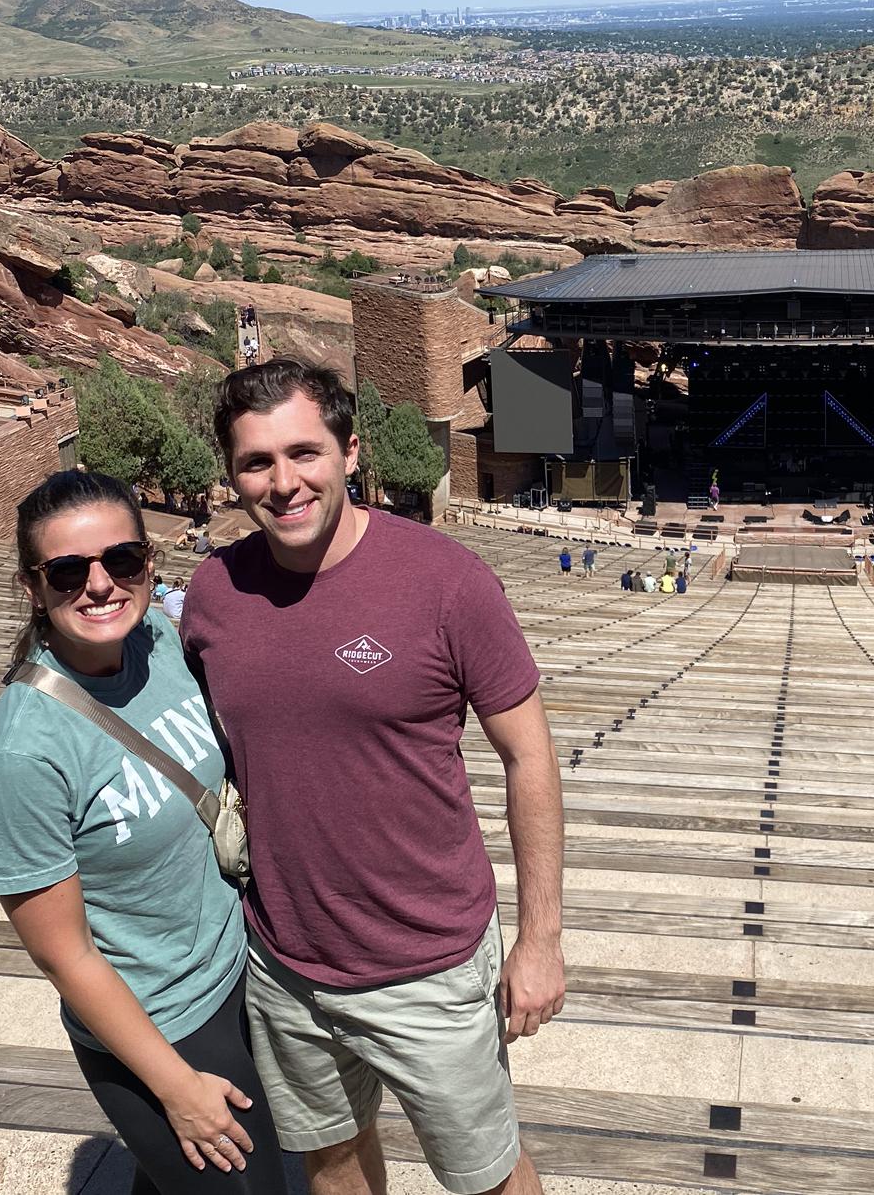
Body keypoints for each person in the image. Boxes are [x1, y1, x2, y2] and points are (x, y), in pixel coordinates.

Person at [182, 360, 564, 1195]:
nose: (284, 483)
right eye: (257, 462)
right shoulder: (214, 593)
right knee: (331, 1159)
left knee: (488, 1175)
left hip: (427, 962)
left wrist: (539, 940)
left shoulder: (446, 581)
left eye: (305, 453)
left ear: (351, 453)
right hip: (284, 963)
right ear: (232, 474)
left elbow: (529, 755)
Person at [0, 470, 287, 1194]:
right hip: (161, 1025)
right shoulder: (21, 755)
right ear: (30, 588)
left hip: (237, 972)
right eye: (68, 570)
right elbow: (66, 957)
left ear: (148, 564)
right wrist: (176, 1088)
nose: (100, 584)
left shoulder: (160, 644)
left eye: (122, 561)